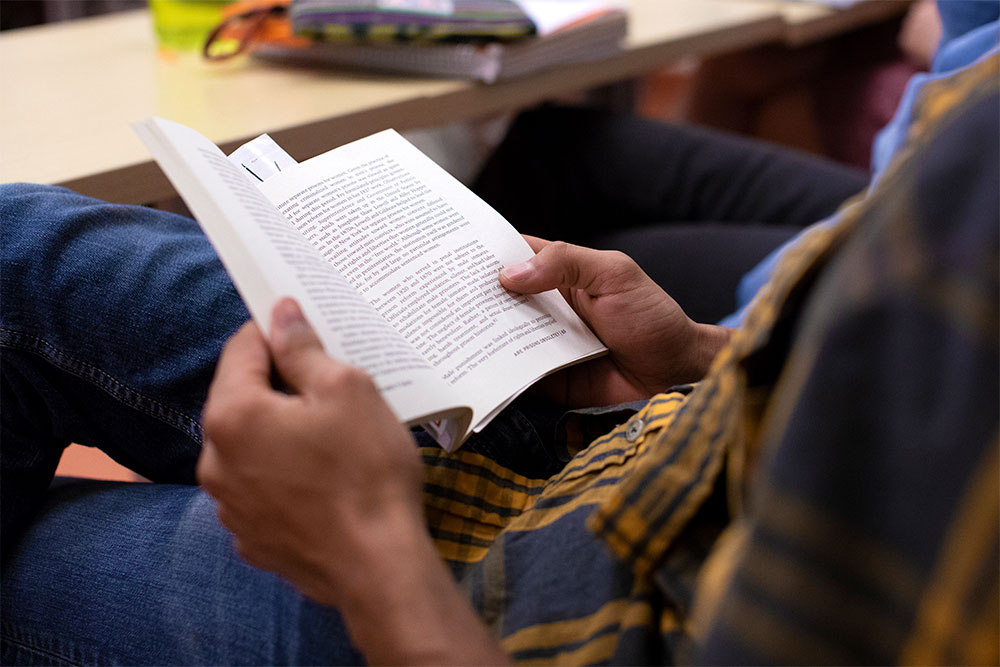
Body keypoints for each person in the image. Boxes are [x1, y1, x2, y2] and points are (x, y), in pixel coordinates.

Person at [2, 3, 997, 665]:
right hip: (619, 445)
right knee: (19, 239)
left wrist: (367, 554)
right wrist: (700, 353)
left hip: (488, 611)